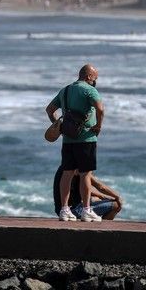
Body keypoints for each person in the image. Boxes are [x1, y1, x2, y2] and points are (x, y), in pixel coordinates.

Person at [45, 64, 104, 222]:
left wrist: (58, 126)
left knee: (67, 173)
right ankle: (86, 210)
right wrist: (98, 126)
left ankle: (64, 210)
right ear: (89, 77)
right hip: (86, 138)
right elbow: (100, 109)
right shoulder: (89, 90)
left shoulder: (65, 90)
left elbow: (49, 109)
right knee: (86, 174)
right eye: (95, 79)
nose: (95, 82)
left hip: (68, 139)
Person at [52, 166, 122, 220]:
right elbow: (100, 186)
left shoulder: (66, 168)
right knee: (116, 205)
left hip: (61, 211)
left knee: (95, 199)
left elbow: (85, 189)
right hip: (73, 211)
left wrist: (102, 196)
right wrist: (117, 197)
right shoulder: (80, 168)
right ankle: (102, 231)